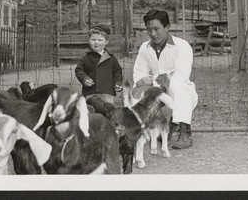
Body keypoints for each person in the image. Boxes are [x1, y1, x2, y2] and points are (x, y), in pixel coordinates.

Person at [133, 9, 198, 149]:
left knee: (177, 84)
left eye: (156, 29)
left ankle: (184, 130)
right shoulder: (145, 47)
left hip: (179, 93)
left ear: (167, 27)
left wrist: (153, 80)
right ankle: (161, 127)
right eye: (149, 30)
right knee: (137, 89)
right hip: (158, 93)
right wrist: (144, 86)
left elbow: (181, 73)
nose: (153, 34)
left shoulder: (182, 46)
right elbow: (139, 74)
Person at [75, 25, 123, 106]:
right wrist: (84, 78)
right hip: (90, 93)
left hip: (108, 93)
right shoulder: (85, 58)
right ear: (89, 40)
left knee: (108, 113)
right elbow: (79, 70)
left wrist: (118, 83)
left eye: (100, 40)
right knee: (91, 113)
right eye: (93, 39)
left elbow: (117, 73)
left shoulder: (112, 59)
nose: (96, 42)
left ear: (106, 41)